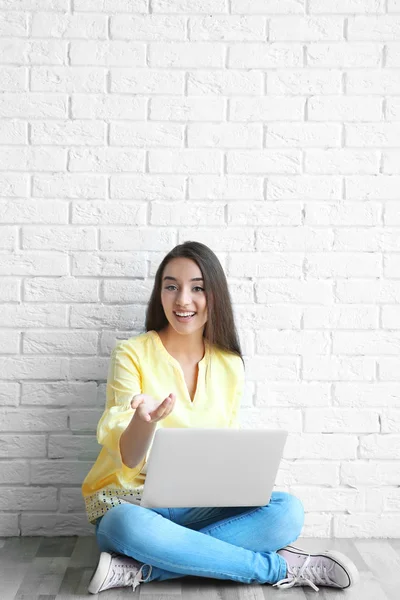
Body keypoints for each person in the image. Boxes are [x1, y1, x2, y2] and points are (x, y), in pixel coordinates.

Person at [82, 241, 360, 594]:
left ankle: (148, 566)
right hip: (134, 505)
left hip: (198, 505)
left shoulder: (229, 365)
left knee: (287, 511)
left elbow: (225, 455)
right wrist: (146, 421)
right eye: (171, 286)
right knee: (123, 526)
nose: (183, 300)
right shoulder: (131, 354)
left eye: (197, 288)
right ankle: (276, 566)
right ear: (160, 294)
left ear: (214, 295)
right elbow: (129, 457)